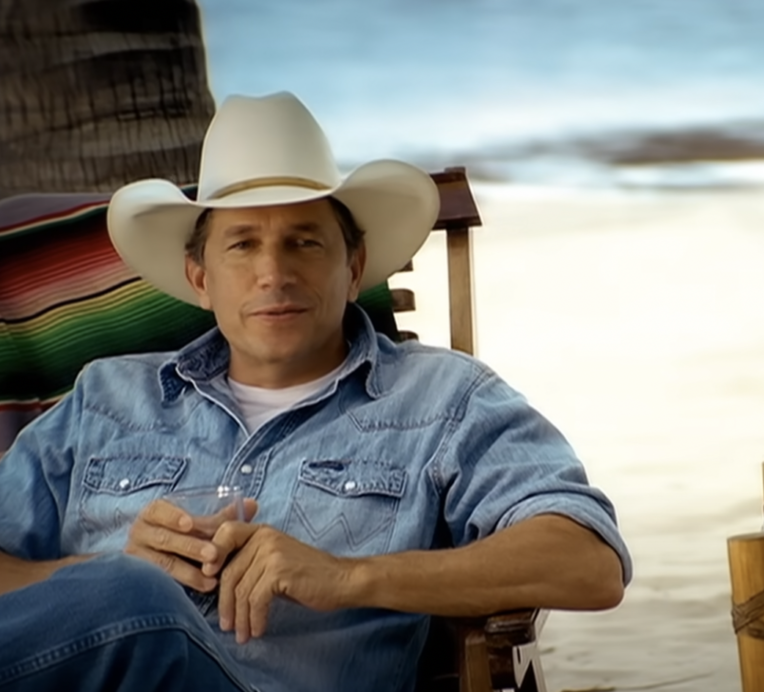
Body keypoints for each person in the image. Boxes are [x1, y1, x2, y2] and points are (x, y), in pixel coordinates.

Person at [0, 92, 631, 692]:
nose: (274, 272)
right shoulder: (107, 397)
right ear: (200, 278)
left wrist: (349, 576)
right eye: (243, 245)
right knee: (128, 592)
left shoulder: (441, 398)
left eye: (304, 241)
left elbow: (587, 562)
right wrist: (96, 577)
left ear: (353, 269)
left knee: (130, 598)